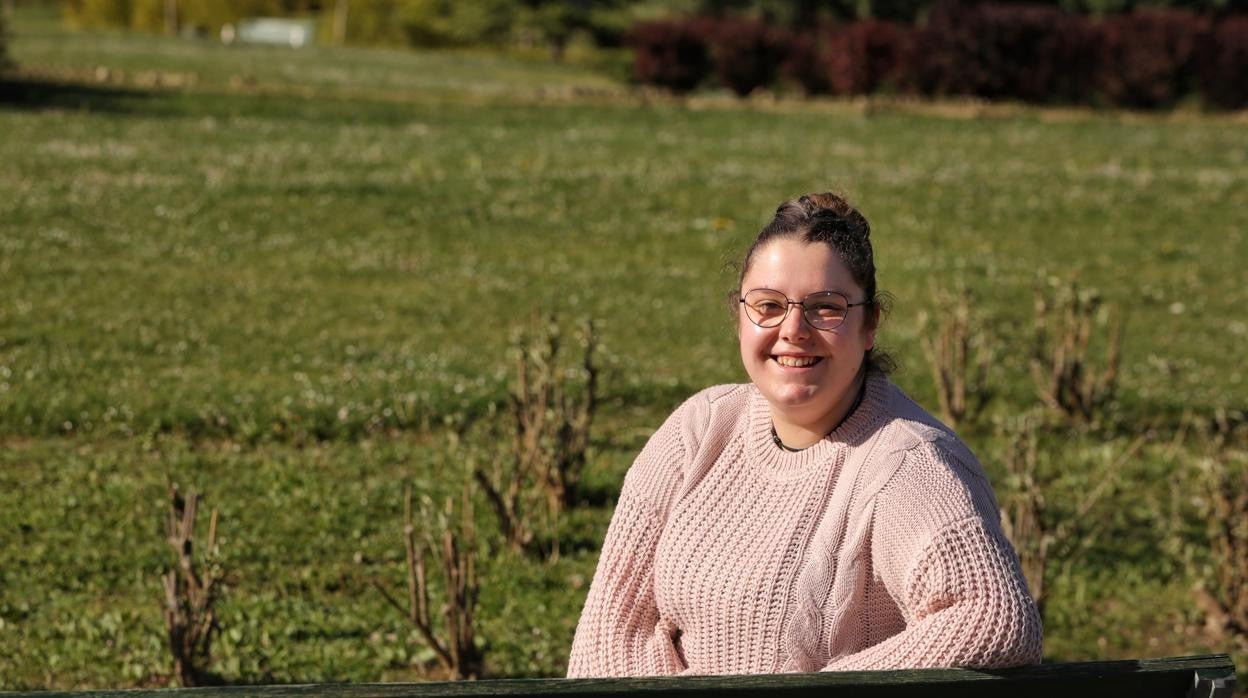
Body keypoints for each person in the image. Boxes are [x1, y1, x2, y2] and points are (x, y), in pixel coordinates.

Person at [566, 192, 1043, 677]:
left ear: (870, 324)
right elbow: (609, 639)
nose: (793, 329)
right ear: (739, 315)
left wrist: (813, 694)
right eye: (768, 305)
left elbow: (992, 616)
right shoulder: (699, 428)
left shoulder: (907, 462)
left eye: (825, 308)